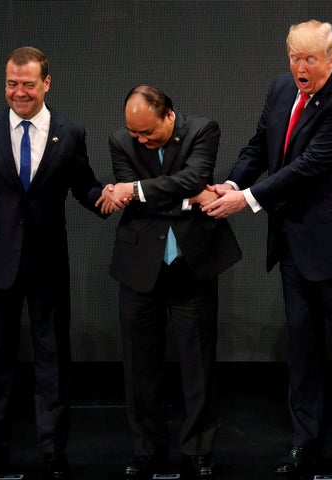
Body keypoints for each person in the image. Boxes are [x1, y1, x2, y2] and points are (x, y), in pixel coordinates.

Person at [201, 20, 332, 477]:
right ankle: (304, 440)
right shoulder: (281, 88)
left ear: (331, 58)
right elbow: (260, 146)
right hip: (295, 245)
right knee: (302, 350)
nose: (300, 68)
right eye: (293, 57)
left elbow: (307, 167)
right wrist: (232, 180)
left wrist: (244, 200)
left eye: (310, 59)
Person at [0, 46, 123, 480]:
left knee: (53, 359)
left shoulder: (69, 133)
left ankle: (53, 451)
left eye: (27, 84)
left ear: (46, 83)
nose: (18, 92)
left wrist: (104, 197)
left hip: (47, 265)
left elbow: (84, 185)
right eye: (11, 84)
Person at [97, 85, 241, 480]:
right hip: (139, 266)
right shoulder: (120, 139)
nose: (140, 141)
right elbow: (166, 192)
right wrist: (185, 198)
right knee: (139, 364)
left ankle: (197, 450)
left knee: (197, 363)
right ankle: (146, 449)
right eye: (135, 135)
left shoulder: (202, 130)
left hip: (190, 264)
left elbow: (193, 177)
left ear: (169, 116)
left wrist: (140, 190)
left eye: (149, 134)